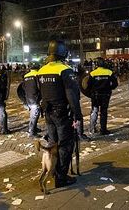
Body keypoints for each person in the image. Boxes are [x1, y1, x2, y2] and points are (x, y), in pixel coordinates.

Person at [37, 39, 82, 187]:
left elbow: (39, 93)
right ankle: (61, 177)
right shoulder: (64, 70)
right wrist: (77, 115)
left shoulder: (41, 70)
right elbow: (72, 95)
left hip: (48, 113)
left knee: (53, 144)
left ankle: (54, 171)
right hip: (62, 114)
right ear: (62, 53)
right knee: (65, 145)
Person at [87, 57, 118, 135]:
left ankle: (92, 129)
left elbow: (88, 85)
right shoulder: (109, 72)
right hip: (105, 95)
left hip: (95, 95)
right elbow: (115, 84)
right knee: (104, 112)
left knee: (94, 110)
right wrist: (109, 88)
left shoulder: (92, 73)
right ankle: (103, 130)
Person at [22, 62, 42, 138]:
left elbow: (23, 87)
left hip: (28, 98)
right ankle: (32, 132)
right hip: (35, 98)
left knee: (32, 114)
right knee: (35, 114)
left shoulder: (26, 76)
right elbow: (39, 87)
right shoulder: (37, 74)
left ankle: (34, 128)